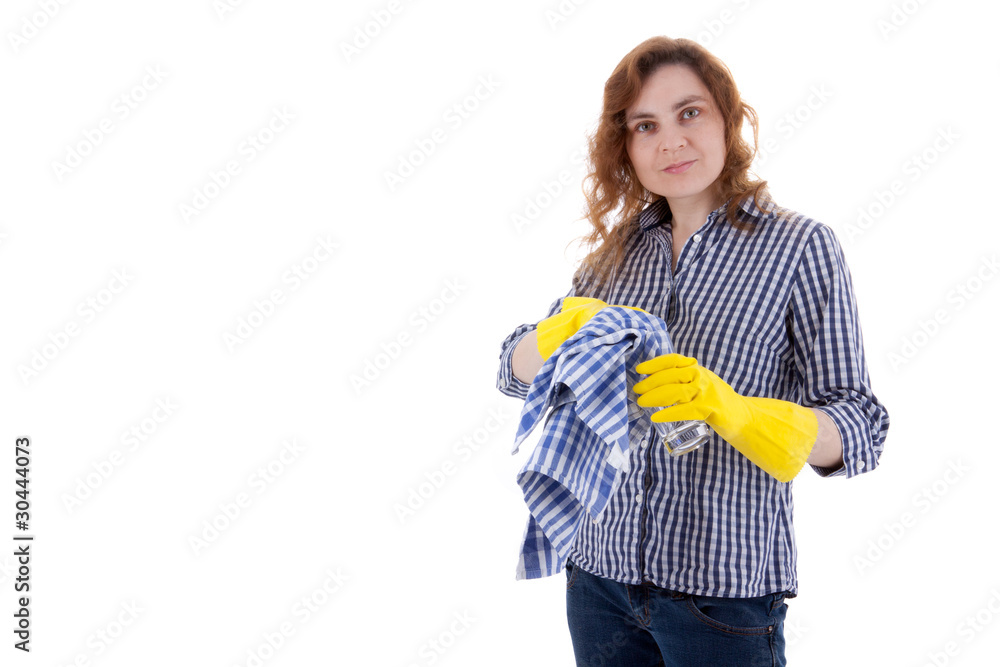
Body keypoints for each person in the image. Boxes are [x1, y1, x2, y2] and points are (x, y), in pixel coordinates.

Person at [495, 36, 889, 666]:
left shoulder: (800, 247)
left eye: (690, 113)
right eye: (644, 125)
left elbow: (860, 427)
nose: (670, 141)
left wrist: (735, 411)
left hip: (722, 601)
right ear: (624, 146)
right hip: (597, 581)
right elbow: (513, 374)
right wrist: (549, 339)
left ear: (728, 119)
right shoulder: (613, 256)